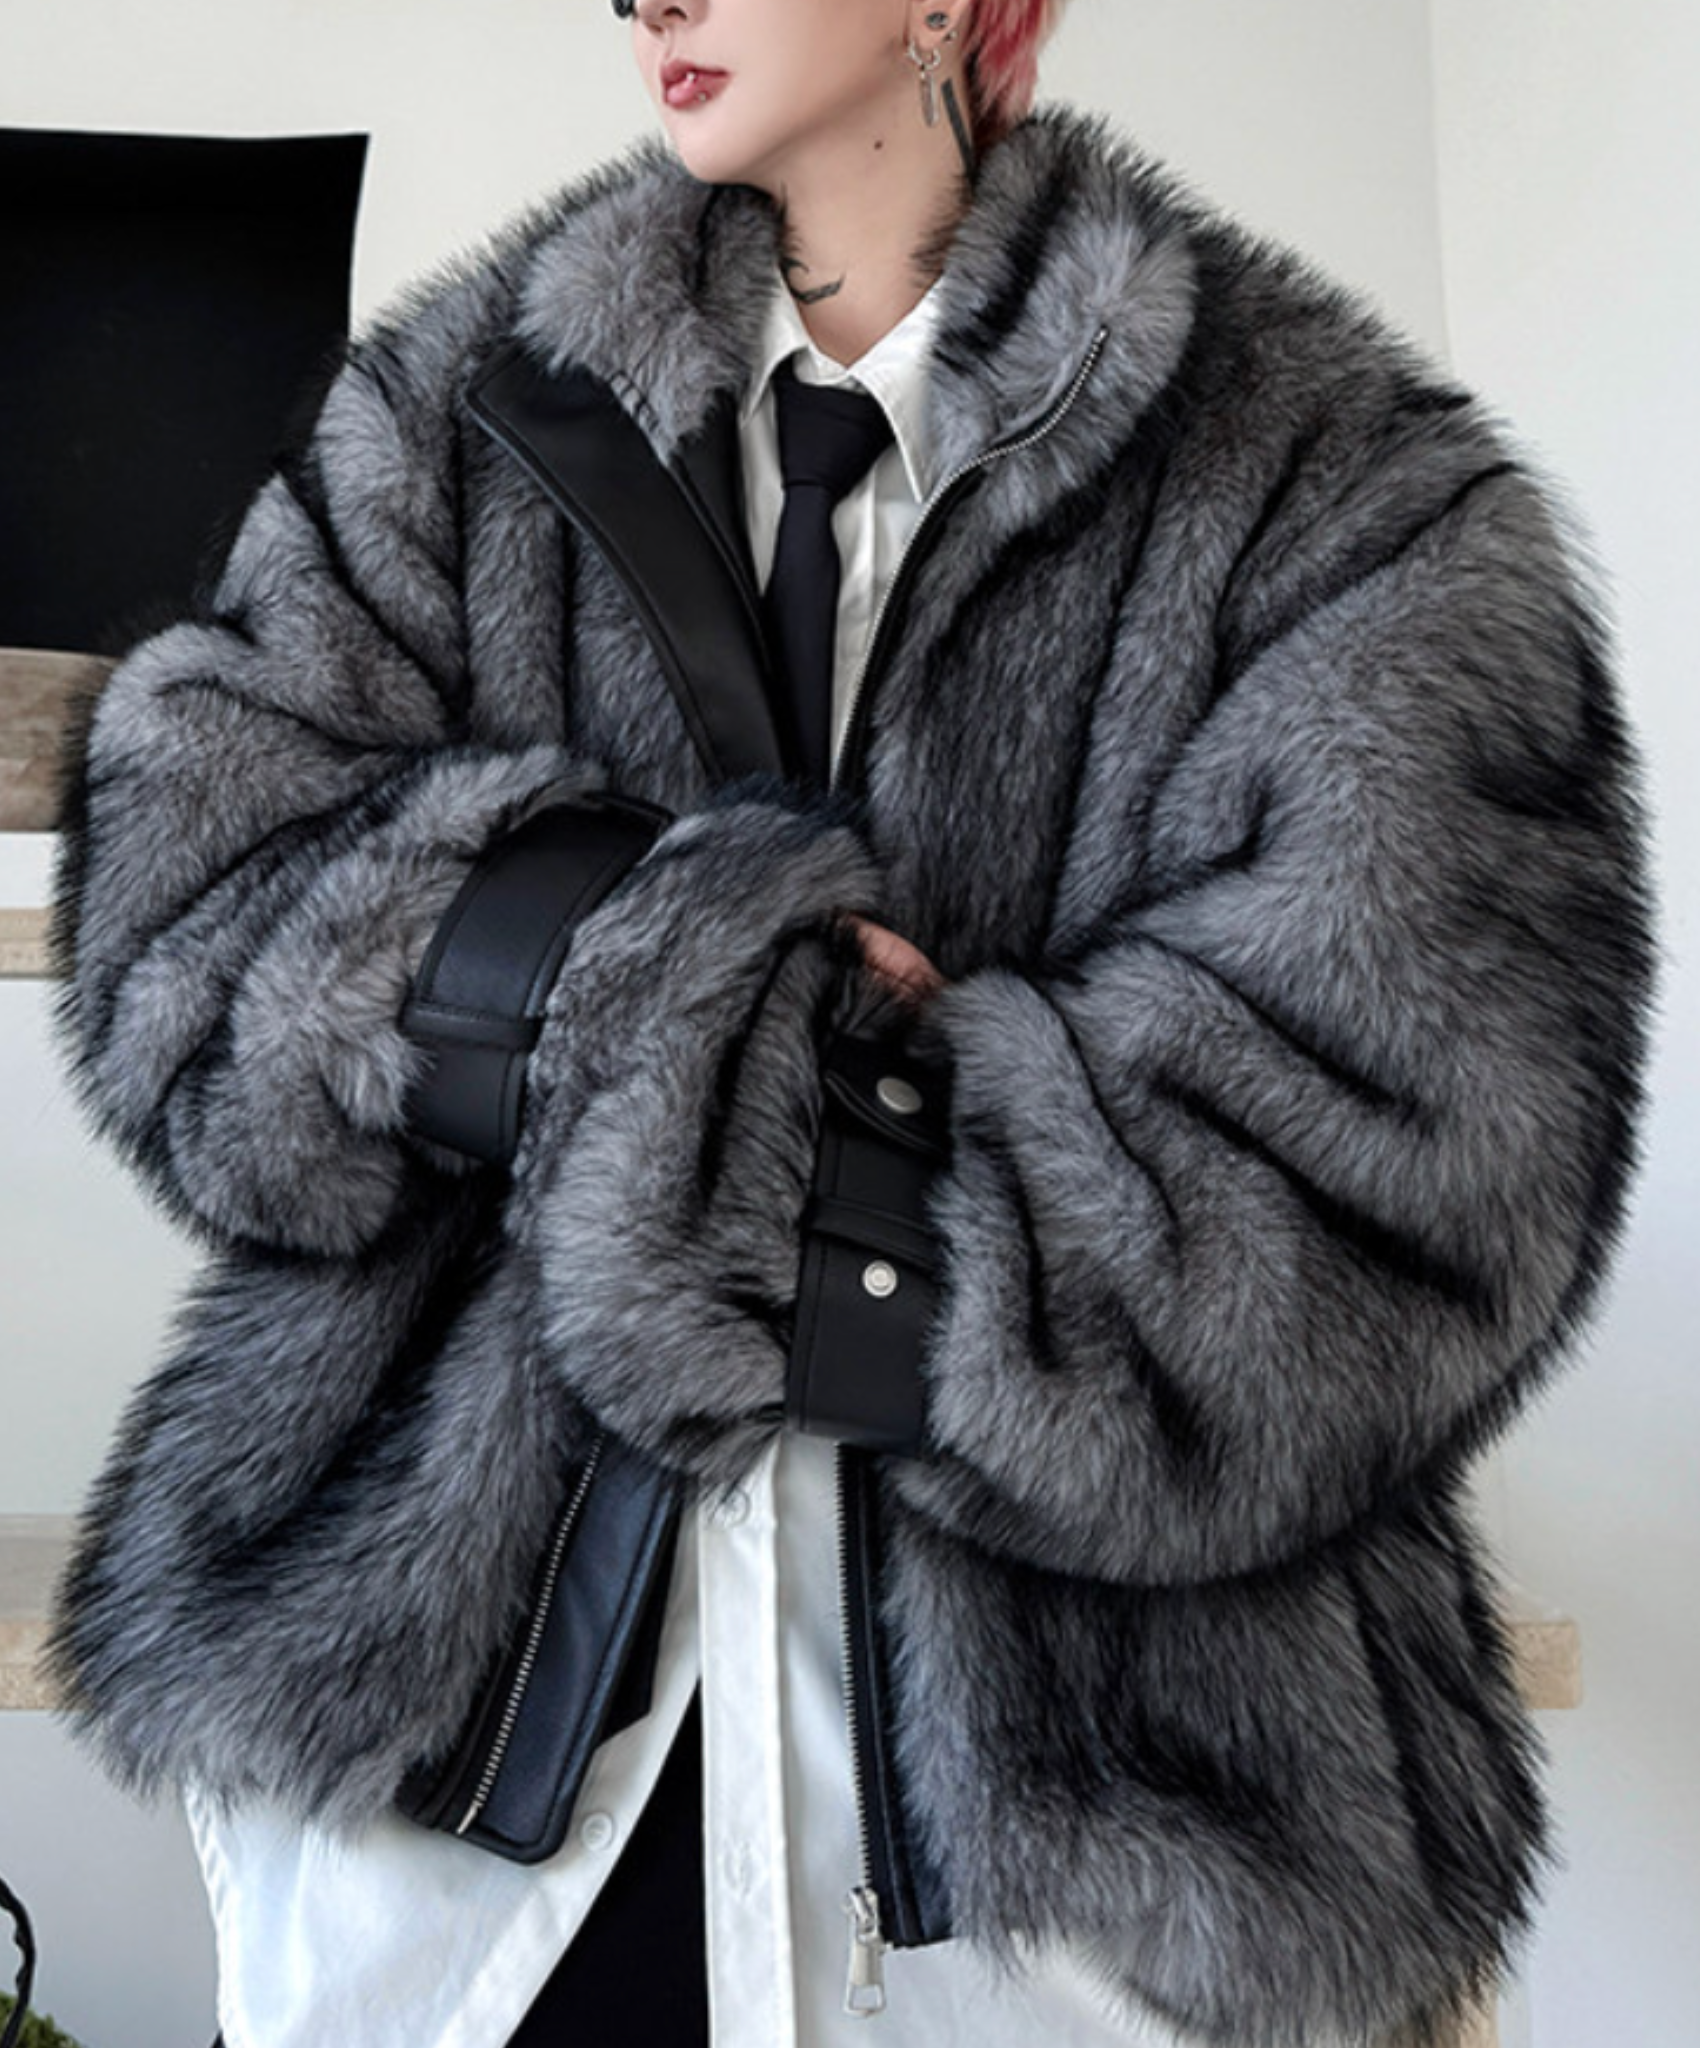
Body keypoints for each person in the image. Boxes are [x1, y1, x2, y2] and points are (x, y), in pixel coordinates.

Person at [46, 1, 1652, 2044]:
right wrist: (688, 988)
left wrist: (709, 1123)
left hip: (1092, 1867)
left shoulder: (1339, 496)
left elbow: (1413, 1172)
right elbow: (189, 906)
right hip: (459, 1807)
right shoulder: (463, 419)